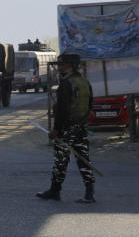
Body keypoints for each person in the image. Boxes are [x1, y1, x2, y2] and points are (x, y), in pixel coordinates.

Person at [36, 52, 95, 203]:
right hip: (81, 127)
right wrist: (81, 123)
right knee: (84, 159)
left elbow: (62, 110)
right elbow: (89, 106)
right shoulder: (84, 82)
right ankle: (89, 193)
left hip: (66, 129)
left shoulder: (66, 83)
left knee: (60, 161)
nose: (60, 67)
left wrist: (56, 130)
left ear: (70, 65)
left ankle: (55, 191)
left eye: (62, 64)